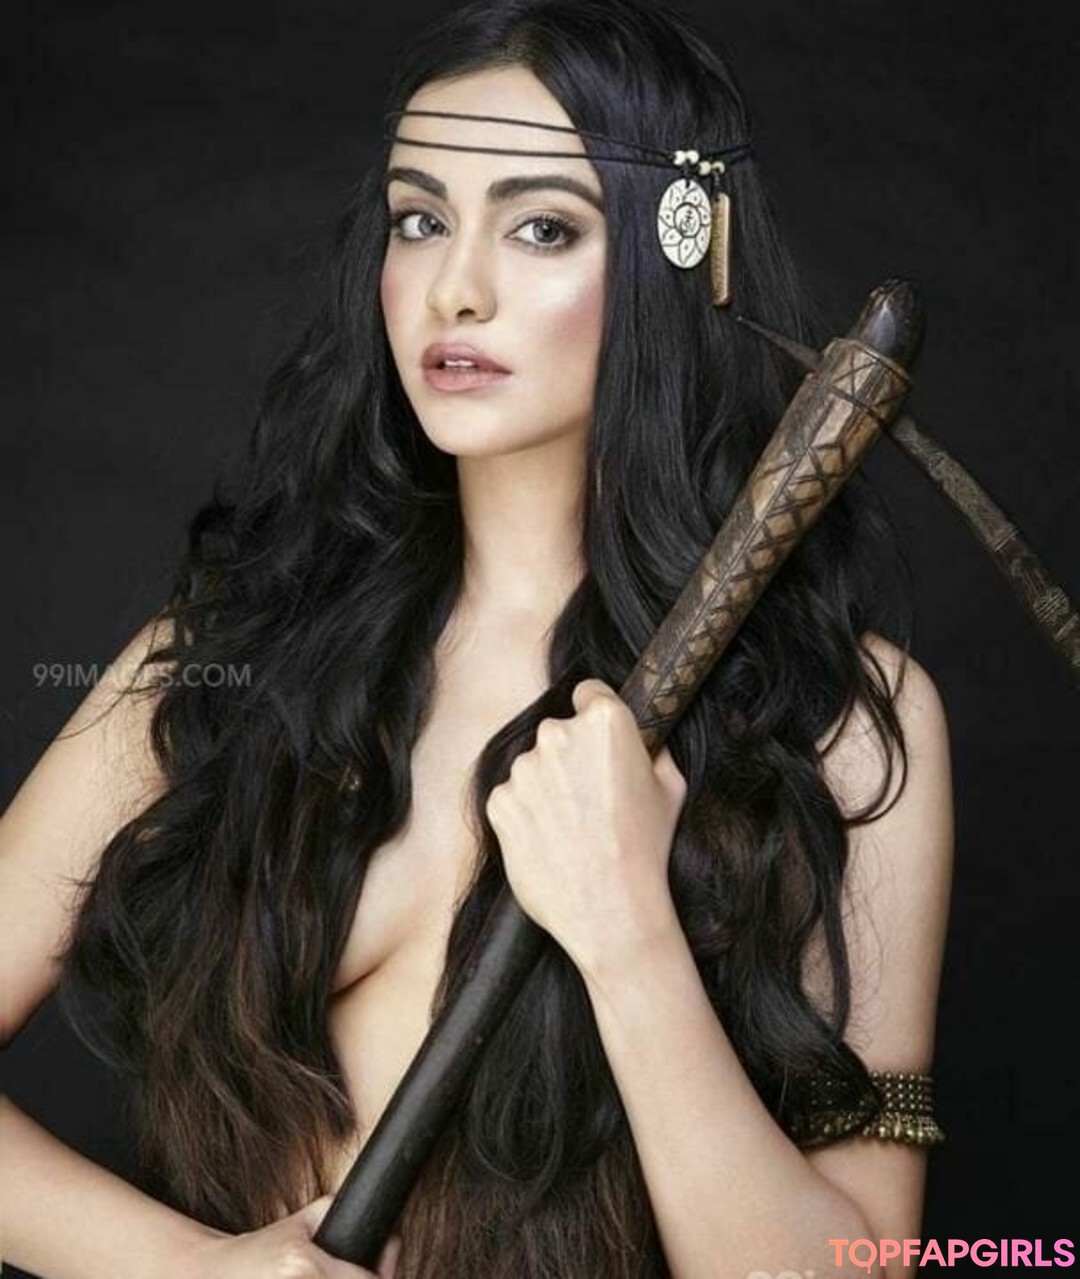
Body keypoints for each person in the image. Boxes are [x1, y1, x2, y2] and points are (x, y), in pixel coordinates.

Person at [0, 0, 954, 1276]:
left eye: (542, 226)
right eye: (420, 219)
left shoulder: (837, 716)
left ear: (679, 253)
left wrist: (628, 932)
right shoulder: (234, 653)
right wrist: (191, 1269)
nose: (456, 288)